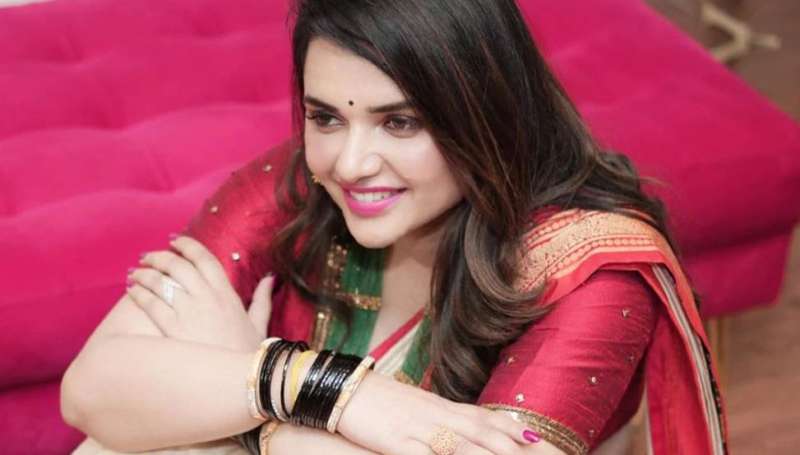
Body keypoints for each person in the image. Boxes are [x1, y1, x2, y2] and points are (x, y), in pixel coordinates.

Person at [60, 0, 729, 454]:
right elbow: (90, 391)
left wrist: (248, 395)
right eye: (326, 117)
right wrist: (303, 384)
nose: (351, 163)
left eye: (400, 122)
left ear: (485, 114)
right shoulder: (300, 183)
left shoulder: (590, 272)